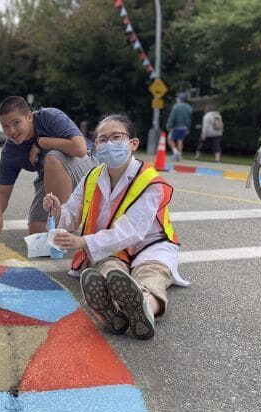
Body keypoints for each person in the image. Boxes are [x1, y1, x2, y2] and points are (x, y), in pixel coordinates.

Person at [43, 114, 190, 340]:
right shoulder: (92, 177)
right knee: (109, 268)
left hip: (151, 245)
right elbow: (72, 213)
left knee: (151, 273)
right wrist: (57, 211)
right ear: (96, 146)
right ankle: (118, 309)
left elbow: (131, 231)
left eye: (116, 137)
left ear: (133, 143)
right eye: (102, 139)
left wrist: (83, 242)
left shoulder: (150, 181)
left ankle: (143, 308)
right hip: (111, 247)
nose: (108, 144)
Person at [0, 96, 98, 237]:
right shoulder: (10, 151)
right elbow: (2, 191)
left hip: (89, 167)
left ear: (29, 117)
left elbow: (80, 149)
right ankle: (64, 221)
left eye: (16, 123)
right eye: (5, 126)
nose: (12, 131)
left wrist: (42, 142)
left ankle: (63, 223)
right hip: (54, 176)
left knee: (52, 158)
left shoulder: (49, 117)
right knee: (37, 230)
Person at [166, 92, 193, 162]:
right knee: (180, 140)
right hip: (185, 127)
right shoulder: (189, 107)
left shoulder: (176, 106)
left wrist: (169, 126)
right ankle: (180, 154)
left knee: (169, 139)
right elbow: (189, 119)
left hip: (176, 127)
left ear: (179, 99)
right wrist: (188, 127)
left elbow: (172, 117)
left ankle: (175, 153)